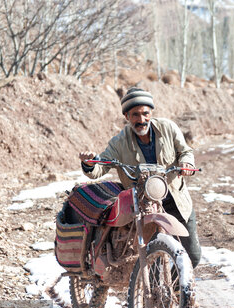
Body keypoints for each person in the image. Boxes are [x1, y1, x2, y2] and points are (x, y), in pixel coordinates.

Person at [79, 87, 201, 268]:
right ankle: (156, 292)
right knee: (150, 257)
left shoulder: (168, 128)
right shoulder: (119, 142)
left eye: (145, 113)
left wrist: (187, 164)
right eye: (135, 115)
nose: (141, 119)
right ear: (127, 116)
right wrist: (90, 163)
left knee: (193, 256)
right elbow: (100, 167)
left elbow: (185, 151)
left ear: (151, 112)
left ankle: (176, 290)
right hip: (144, 206)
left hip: (176, 201)